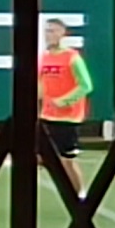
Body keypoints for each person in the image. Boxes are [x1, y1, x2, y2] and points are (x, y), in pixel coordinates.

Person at [33, 19, 92, 194]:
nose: (49, 34)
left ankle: (80, 194)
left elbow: (85, 85)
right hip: (47, 115)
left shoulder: (72, 57)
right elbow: (40, 83)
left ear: (62, 34)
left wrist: (64, 100)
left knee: (67, 160)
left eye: (53, 31)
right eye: (47, 30)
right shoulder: (43, 57)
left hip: (68, 117)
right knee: (39, 154)